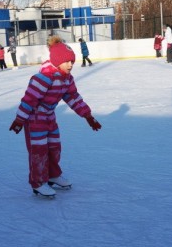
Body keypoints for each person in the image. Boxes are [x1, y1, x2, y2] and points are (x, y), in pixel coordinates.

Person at [9, 35, 102, 197]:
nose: (71, 65)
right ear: (57, 60)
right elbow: (29, 100)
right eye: (67, 62)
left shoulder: (67, 79)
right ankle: (38, 182)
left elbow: (73, 97)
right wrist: (19, 119)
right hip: (35, 118)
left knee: (54, 148)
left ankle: (52, 175)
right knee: (39, 150)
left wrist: (88, 116)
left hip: (50, 117)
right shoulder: (44, 78)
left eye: (72, 61)